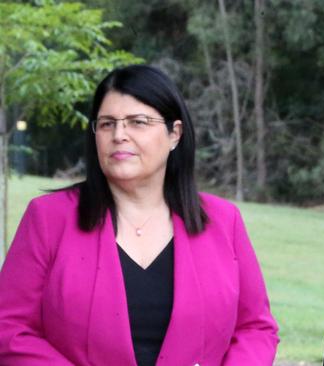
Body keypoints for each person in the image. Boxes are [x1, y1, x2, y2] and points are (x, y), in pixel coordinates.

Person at [0, 65, 279, 365]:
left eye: (138, 122)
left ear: (175, 133)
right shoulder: (49, 218)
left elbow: (256, 328)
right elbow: (9, 328)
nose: (119, 135)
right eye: (107, 124)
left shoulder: (224, 221)